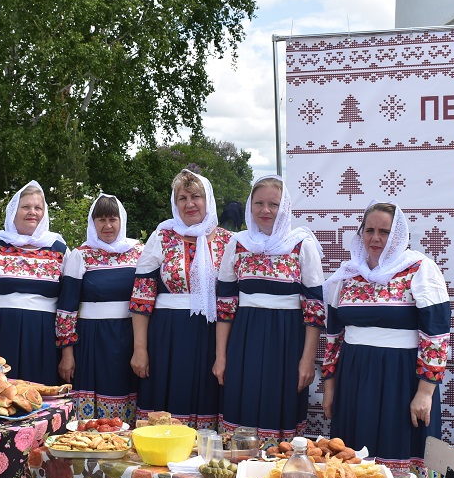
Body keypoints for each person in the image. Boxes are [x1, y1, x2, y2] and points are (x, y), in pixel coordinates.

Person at [321, 200, 450, 463]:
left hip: (401, 379)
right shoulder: (347, 274)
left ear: (399, 235)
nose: (376, 238)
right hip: (354, 378)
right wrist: (330, 388)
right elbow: (334, 337)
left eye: (385, 232)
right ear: (361, 234)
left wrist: (425, 393)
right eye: (369, 231)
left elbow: (436, 335)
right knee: (354, 457)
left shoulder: (419, 269)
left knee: (399, 455)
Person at [214, 176, 325, 440]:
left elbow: (314, 309)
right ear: (250, 206)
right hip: (244, 340)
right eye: (259, 203)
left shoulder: (301, 245)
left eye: (273, 204)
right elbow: (225, 307)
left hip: (287, 343)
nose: (266, 210)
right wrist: (221, 356)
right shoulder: (238, 244)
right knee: (243, 404)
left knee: (280, 409)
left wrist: (307, 360)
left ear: (284, 207)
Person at [130, 169, 232, 429]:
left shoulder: (228, 241)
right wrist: (140, 349)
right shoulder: (161, 237)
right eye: (182, 198)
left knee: (209, 397)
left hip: (214, 335)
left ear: (208, 199)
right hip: (168, 336)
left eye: (196, 196)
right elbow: (142, 296)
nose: (189, 204)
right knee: (168, 402)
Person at [57, 194, 143, 423]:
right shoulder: (80, 255)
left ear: (121, 220)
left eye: (112, 219)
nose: (107, 226)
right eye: (101, 220)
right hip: (91, 342)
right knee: (89, 419)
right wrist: (67, 354)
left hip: (128, 339)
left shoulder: (138, 253)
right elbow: (67, 308)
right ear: (92, 223)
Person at [0, 181, 67, 384]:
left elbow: (68, 299)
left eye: (37, 208)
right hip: (1, 331)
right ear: (13, 211)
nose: (32, 212)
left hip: (44, 335)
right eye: (25, 207)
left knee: (40, 393)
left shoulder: (59, 248)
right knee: (0, 393)